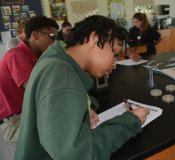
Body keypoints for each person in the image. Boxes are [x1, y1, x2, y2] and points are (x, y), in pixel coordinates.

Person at [14, 15, 150, 160]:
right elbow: (77, 155)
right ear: (95, 39)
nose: (114, 63)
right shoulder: (62, 77)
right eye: (114, 54)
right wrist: (129, 122)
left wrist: (85, 103)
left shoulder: (57, 59)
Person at [0, 16, 59, 142]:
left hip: (30, 114)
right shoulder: (16, 56)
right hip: (16, 121)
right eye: (51, 37)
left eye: (56, 38)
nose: (54, 42)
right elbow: (36, 91)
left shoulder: (36, 57)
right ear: (35, 35)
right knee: (62, 125)